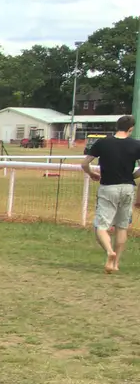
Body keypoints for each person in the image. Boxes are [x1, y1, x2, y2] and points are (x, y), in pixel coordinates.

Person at [81, 115, 139, 274]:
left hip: (108, 187)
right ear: (131, 128)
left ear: (116, 126)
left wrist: (92, 173)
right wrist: (133, 176)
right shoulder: (136, 144)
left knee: (101, 226)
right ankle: (116, 263)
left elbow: (85, 163)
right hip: (128, 188)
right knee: (122, 227)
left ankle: (109, 251)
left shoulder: (103, 142)